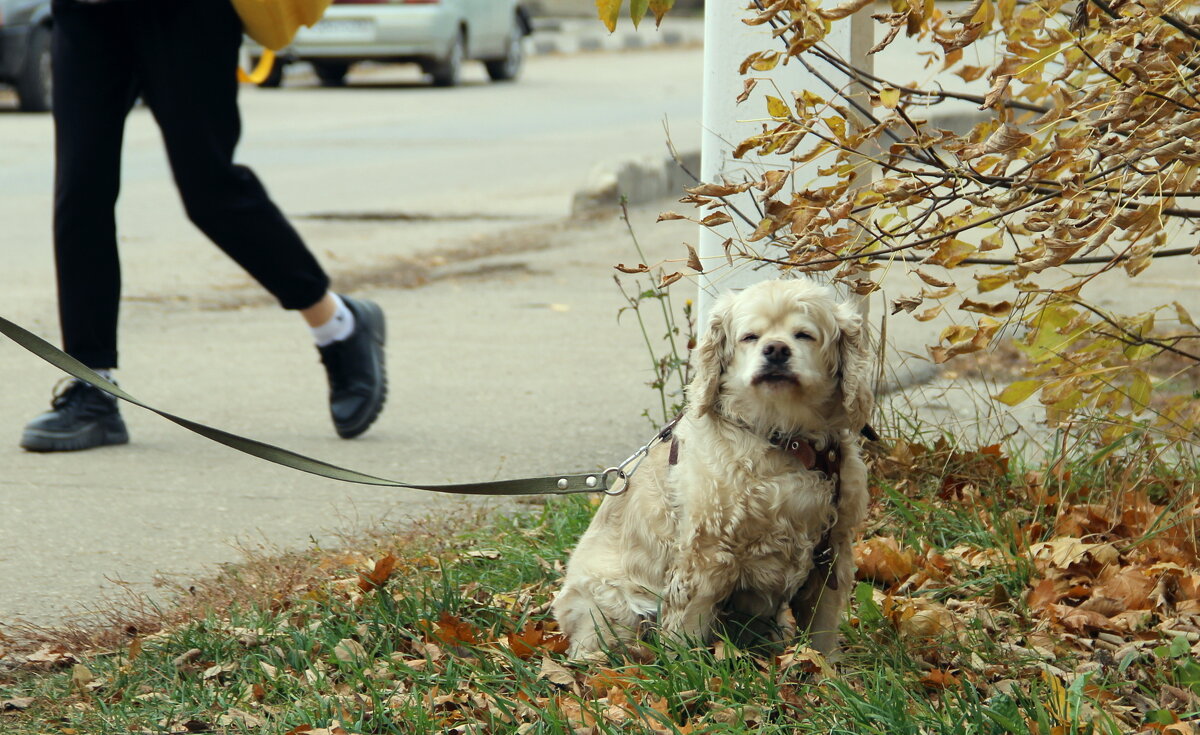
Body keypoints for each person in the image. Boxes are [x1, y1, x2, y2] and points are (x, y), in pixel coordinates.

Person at [19, 0, 387, 452]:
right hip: (86, 13)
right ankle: (93, 386)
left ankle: (338, 325)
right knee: (81, 189)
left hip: (186, 14)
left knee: (211, 190)